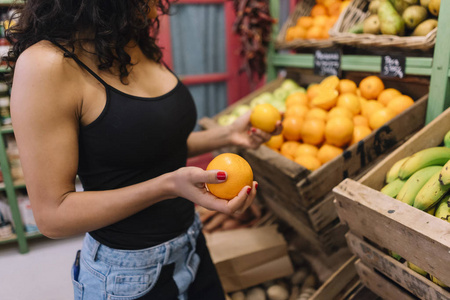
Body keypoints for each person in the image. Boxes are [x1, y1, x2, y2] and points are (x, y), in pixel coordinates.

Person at [5, 0, 282, 299]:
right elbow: (52, 215)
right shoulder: (47, 64)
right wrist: (167, 186)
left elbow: (153, 147)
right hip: (125, 275)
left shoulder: (133, 40)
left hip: (191, 244)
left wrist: (228, 135)